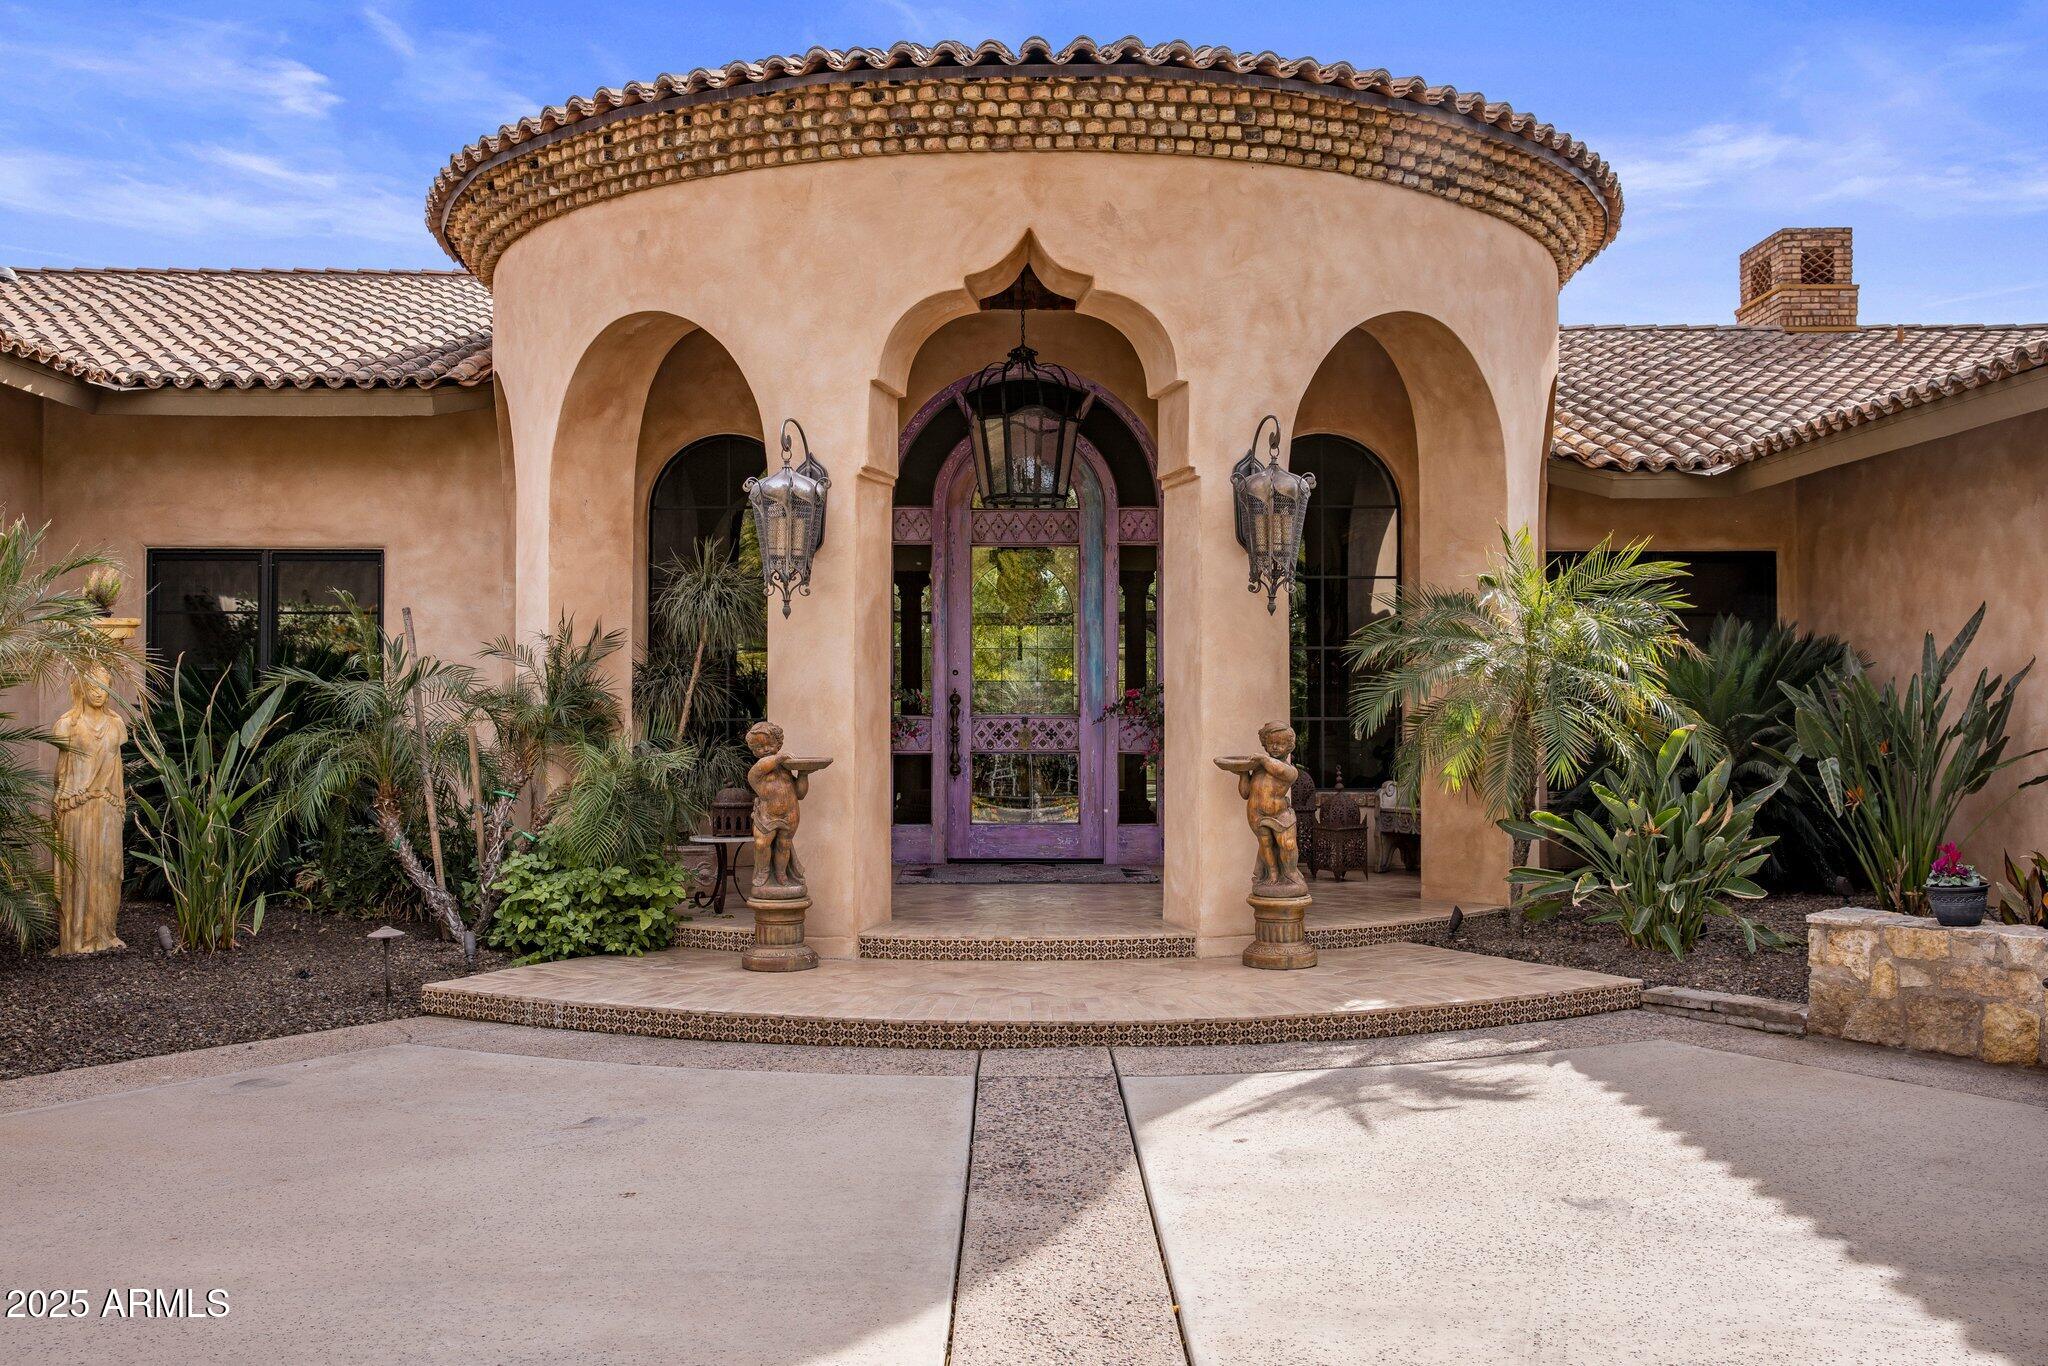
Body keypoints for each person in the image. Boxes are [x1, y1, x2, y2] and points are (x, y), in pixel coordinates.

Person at [52, 666, 127, 955]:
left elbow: (117, 766)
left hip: (107, 804)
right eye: (93, 687)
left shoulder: (116, 724)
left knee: (108, 869)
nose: (98, 693)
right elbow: (60, 772)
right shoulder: (66, 725)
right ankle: (74, 939)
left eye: (104, 687)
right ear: (81, 688)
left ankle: (104, 934)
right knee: (78, 872)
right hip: (76, 807)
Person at [745, 720, 808, 894]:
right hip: (766, 815)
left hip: (790, 813)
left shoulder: (786, 770)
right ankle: (763, 871)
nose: (764, 750)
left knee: (784, 845)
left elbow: (800, 794)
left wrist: (803, 774)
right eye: (758, 747)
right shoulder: (758, 771)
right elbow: (760, 767)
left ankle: (781, 874)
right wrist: (778, 758)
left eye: (769, 745)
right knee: (761, 843)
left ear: (778, 744)